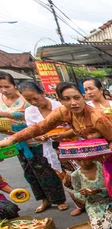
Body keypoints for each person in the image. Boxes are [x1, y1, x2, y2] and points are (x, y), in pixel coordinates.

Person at [0, 82, 112, 229]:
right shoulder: (64, 112)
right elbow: (40, 127)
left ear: (83, 97)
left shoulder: (96, 117)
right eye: (67, 99)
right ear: (60, 100)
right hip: (100, 152)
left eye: (76, 98)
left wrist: (99, 156)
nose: (73, 103)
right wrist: (13, 139)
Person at [19, 81, 69, 213]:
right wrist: (40, 137)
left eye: (36, 98)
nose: (34, 102)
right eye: (29, 100)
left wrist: (63, 133)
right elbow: (33, 131)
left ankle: (81, 201)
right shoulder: (30, 111)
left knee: (72, 172)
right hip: (48, 145)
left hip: (67, 141)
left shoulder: (59, 106)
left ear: (43, 92)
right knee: (56, 173)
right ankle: (59, 200)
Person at [71, 160, 112, 229]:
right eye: (79, 161)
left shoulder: (102, 166)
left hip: (111, 199)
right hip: (94, 204)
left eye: (85, 160)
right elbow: (76, 193)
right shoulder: (75, 175)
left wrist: (100, 190)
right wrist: (83, 194)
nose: (83, 163)